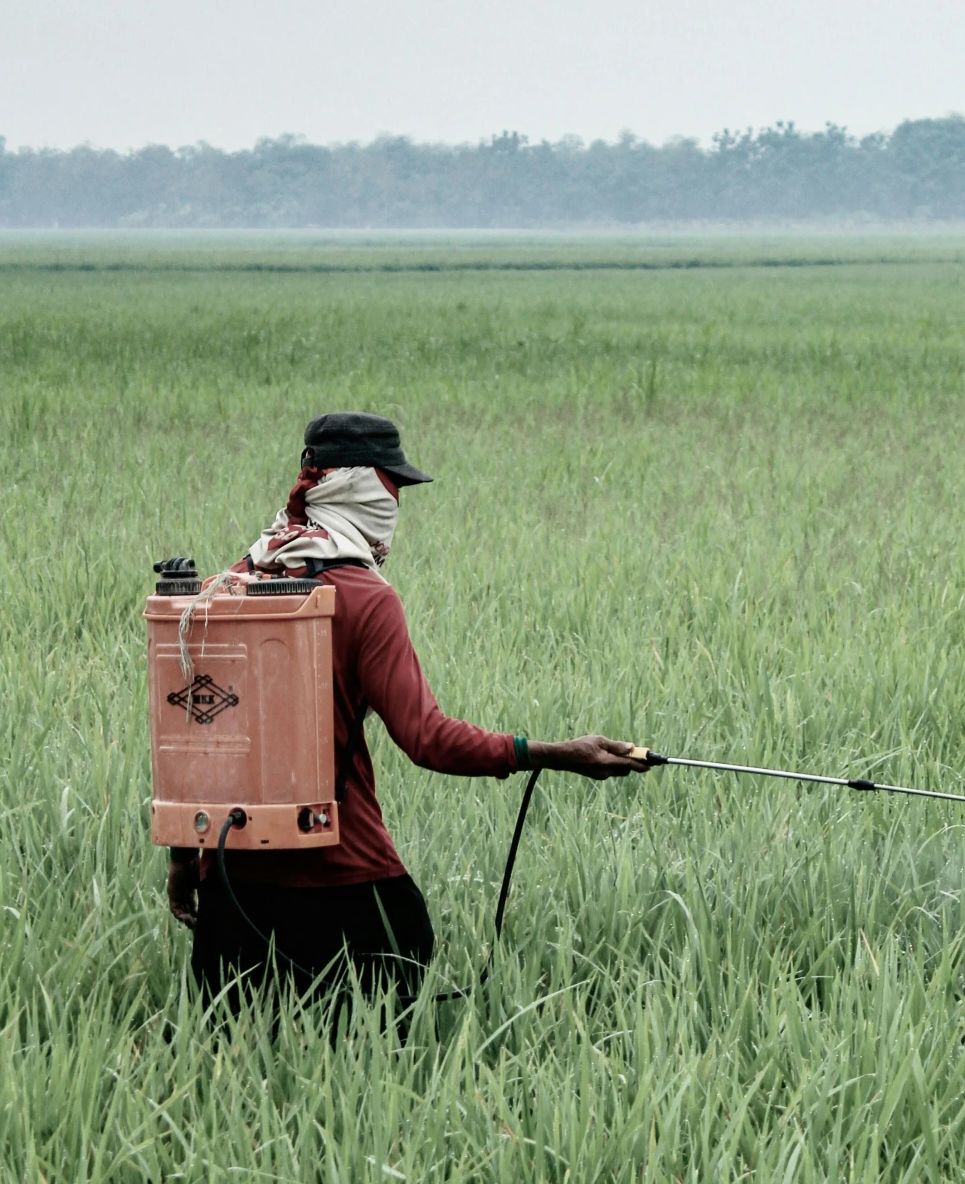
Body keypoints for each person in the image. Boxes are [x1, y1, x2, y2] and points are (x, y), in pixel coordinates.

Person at [169, 411, 646, 1008]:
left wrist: (185, 860)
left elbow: (191, 737)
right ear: (363, 487)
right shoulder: (368, 599)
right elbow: (429, 740)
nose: (396, 503)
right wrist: (556, 754)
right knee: (374, 1057)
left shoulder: (230, 583)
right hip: (343, 878)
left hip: (231, 887)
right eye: (393, 487)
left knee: (238, 1070)